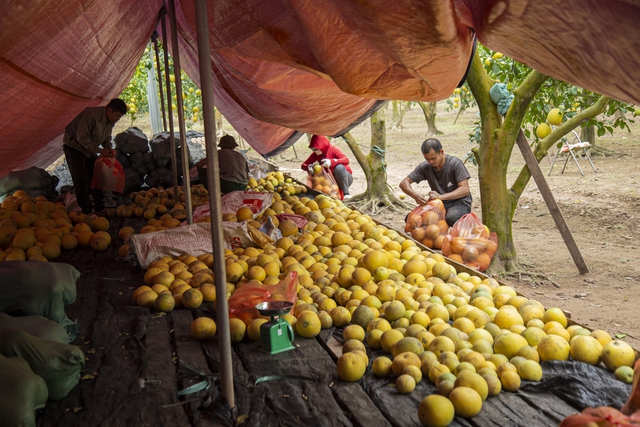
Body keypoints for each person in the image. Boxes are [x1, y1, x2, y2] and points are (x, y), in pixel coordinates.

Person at [62, 98, 127, 215]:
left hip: (89, 148)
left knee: (96, 177)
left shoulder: (110, 122)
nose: (118, 119)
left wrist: (108, 148)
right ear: (109, 110)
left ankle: (99, 207)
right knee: (80, 179)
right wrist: (100, 151)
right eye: (117, 115)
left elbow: (106, 138)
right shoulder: (91, 115)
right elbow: (81, 138)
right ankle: (86, 210)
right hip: (74, 146)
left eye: (120, 117)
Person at [399, 138, 472, 227]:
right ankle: (437, 238)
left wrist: (441, 197)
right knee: (411, 219)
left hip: (458, 202)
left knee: (452, 217)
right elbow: (403, 183)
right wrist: (415, 195)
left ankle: (465, 231)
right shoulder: (425, 167)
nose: (431, 162)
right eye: (427, 159)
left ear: (441, 152)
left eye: (433, 158)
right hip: (438, 204)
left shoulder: (455, 163)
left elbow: (464, 190)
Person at [301, 135, 353, 199]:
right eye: (313, 149)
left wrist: (332, 162)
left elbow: (346, 160)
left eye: (316, 149)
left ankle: (346, 193)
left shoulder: (333, 149)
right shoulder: (315, 154)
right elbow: (304, 165)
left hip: (344, 178)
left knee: (339, 168)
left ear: (322, 146)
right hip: (329, 181)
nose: (314, 151)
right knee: (316, 174)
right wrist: (308, 167)